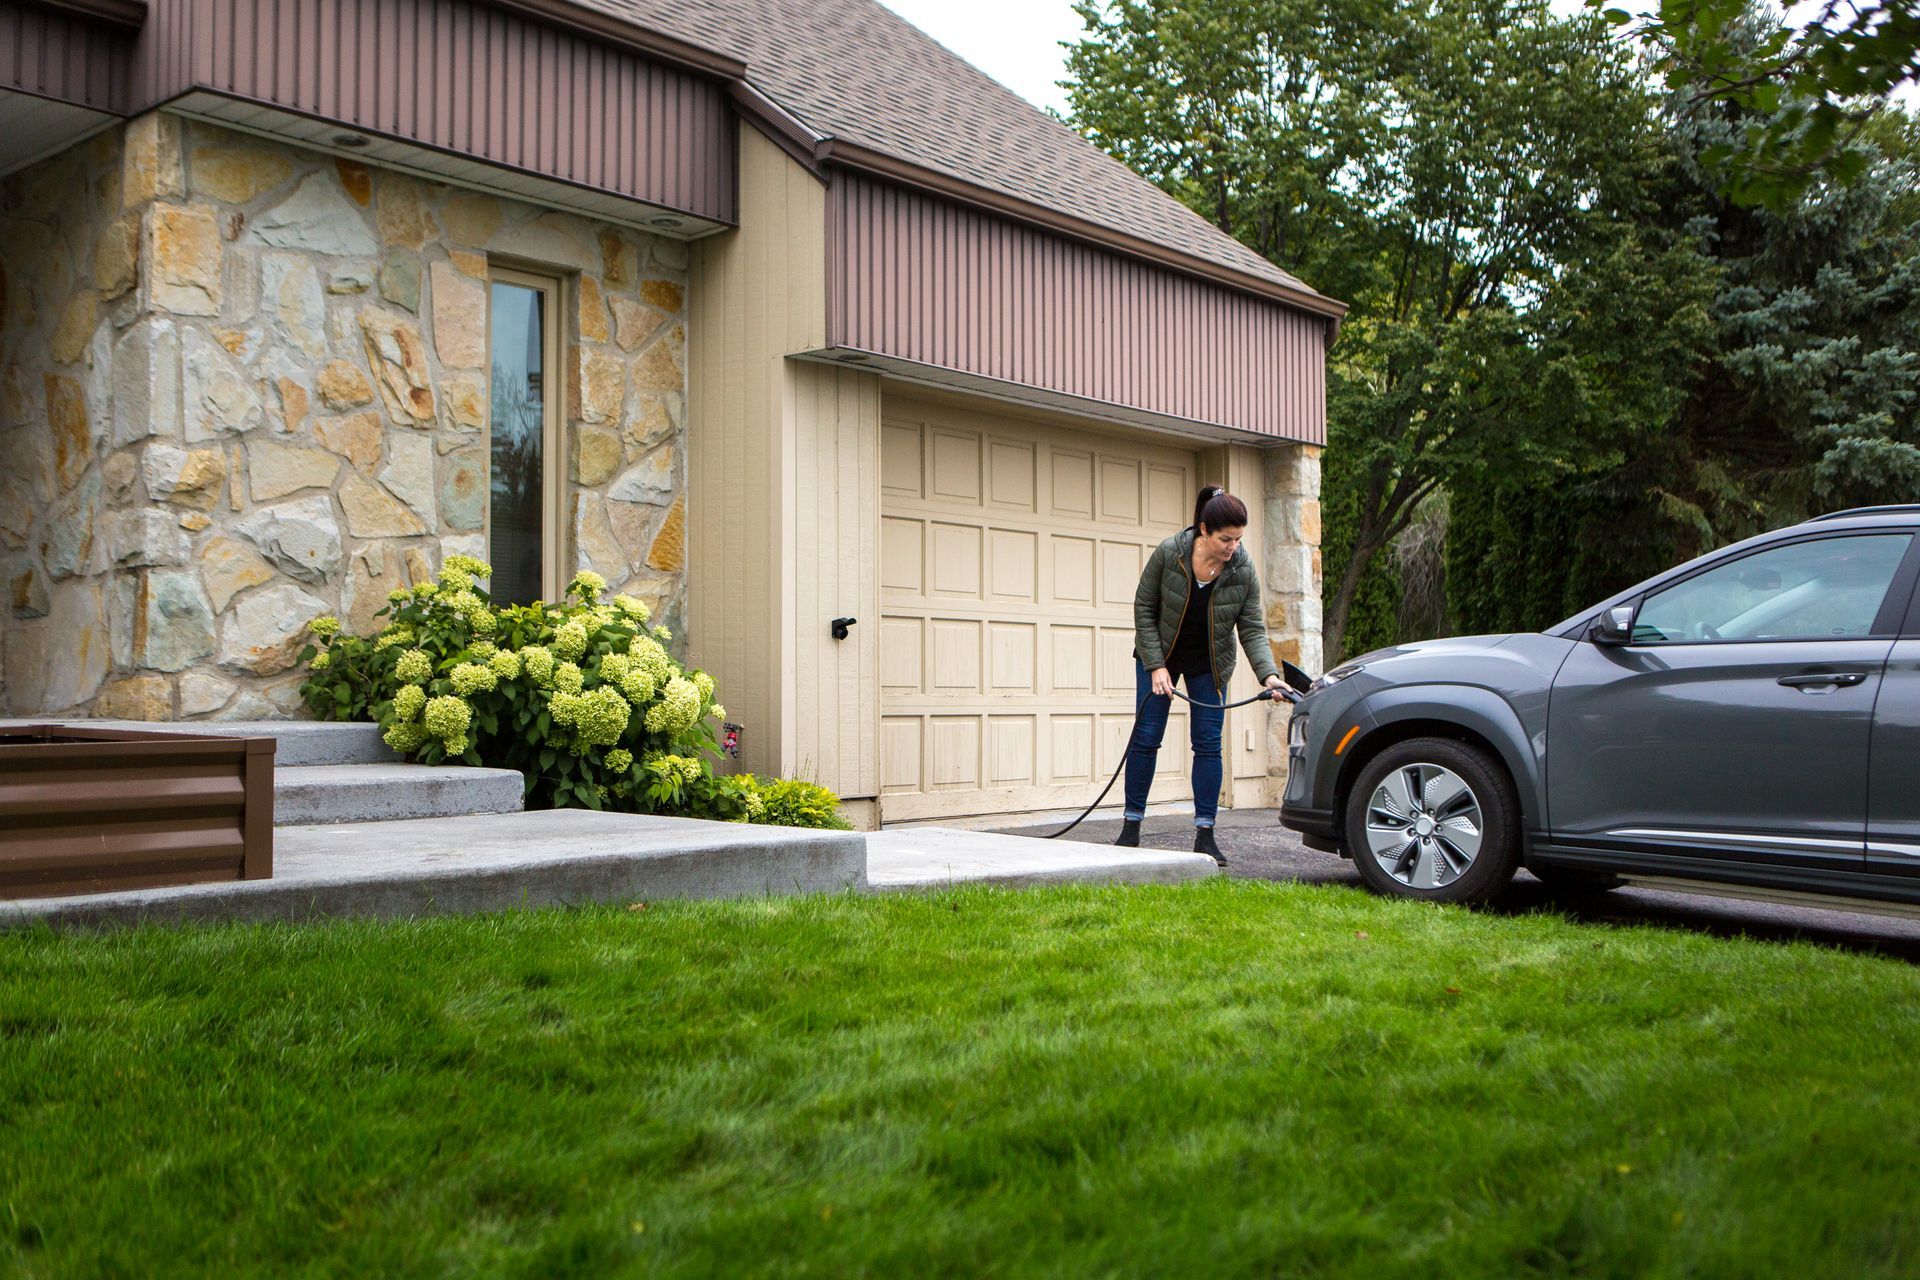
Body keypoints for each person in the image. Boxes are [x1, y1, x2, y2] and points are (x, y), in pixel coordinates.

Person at [1119, 484, 1286, 865]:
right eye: (1226, 539)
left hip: (1209, 662)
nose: (1233, 547)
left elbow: (1252, 628)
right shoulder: (1170, 553)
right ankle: (1130, 829)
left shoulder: (1242, 569)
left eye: (1238, 539)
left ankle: (1206, 835)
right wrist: (1156, 665)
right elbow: (1144, 607)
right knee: (1147, 737)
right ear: (1204, 530)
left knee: (1208, 744)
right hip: (1160, 654)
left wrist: (1269, 677)